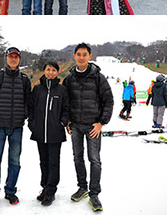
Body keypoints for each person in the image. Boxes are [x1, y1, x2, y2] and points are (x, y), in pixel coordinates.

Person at [62, 43, 113, 212]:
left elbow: (108, 101)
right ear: (74, 56)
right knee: (77, 157)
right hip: (76, 125)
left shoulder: (98, 77)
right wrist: (67, 121)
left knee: (94, 160)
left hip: (93, 126)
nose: (82, 57)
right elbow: (65, 102)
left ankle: (94, 193)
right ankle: (82, 187)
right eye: (79, 54)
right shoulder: (69, 78)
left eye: (85, 54)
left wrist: (101, 123)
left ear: (90, 56)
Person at [0, 47, 31, 208]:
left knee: (15, 161)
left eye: (16, 57)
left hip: (17, 127)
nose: (13, 59)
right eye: (10, 56)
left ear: (19, 59)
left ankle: (10, 190)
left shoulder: (25, 79)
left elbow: (28, 101)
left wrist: (23, 114)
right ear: (6, 58)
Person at [28, 61, 69, 206]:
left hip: (55, 133)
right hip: (40, 132)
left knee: (53, 163)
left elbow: (66, 110)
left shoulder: (62, 90)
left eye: (53, 70)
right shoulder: (37, 89)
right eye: (48, 69)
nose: (50, 72)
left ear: (57, 72)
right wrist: (32, 124)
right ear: (44, 71)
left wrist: (62, 123)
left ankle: (51, 191)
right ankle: (45, 187)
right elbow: (31, 107)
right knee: (43, 161)